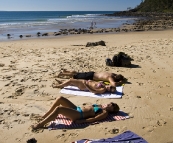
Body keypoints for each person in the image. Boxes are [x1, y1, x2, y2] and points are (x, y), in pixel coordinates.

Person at [31, 96, 120, 130]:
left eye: (113, 105)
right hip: (76, 108)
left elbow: (94, 119)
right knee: (60, 98)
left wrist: (81, 121)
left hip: (78, 115)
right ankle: (45, 116)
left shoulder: (105, 113)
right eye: (112, 103)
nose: (111, 103)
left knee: (59, 109)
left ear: (112, 110)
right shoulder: (101, 106)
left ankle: (40, 124)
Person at [56, 69, 125, 87]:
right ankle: (62, 75)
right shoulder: (110, 77)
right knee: (75, 76)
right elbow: (114, 84)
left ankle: (63, 73)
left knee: (77, 74)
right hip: (91, 76)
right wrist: (120, 82)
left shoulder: (112, 74)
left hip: (92, 73)